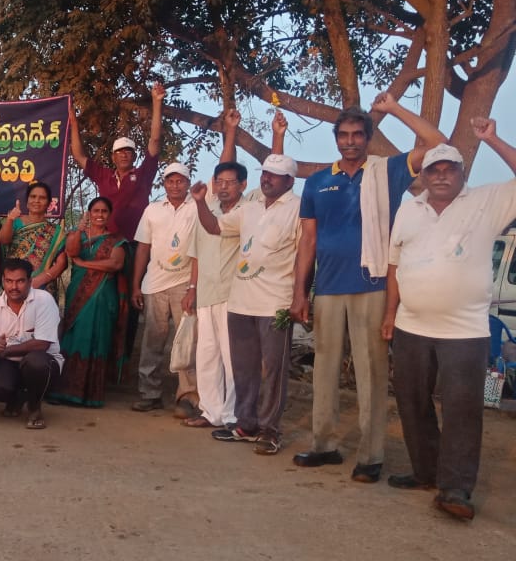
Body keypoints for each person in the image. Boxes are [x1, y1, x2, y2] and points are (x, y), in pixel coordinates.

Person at [290, 92, 447, 482]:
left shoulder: (387, 171)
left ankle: (371, 456)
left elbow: (437, 143)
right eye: (344, 135)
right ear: (335, 138)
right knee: (324, 369)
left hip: (373, 284)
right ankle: (323, 445)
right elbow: (308, 240)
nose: (350, 141)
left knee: (372, 372)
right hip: (328, 287)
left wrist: (393, 108)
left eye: (358, 134)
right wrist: (299, 292)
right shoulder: (318, 182)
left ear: (368, 137)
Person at [381, 119, 516, 520]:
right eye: (433, 169)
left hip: (465, 330)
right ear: (422, 176)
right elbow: (394, 264)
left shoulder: (486, 202)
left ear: (462, 173)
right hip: (410, 326)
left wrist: (491, 138)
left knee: (461, 409)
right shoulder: (409, 209)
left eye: (449, 169)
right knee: (412, 402)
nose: (441, 175)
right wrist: (390, 313)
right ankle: (425, 472)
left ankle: (455, 487)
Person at [192, 153, 301, 455]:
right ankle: (246, 424)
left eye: (274, 175)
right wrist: (200, 202)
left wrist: (301, 296)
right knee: (243, 368)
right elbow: (214, 227)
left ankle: (270, 430)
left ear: (289, 181)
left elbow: (306, 252)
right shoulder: (250, 209)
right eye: (264, 173)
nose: (267, 179)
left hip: (276, 302)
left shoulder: (298, 208)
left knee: (273, 369)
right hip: (240, 302)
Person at [181, 109, 284, 428]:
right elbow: (197, 253)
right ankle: (210, 412)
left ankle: (233, 415)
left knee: (233, 359)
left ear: (243, 185)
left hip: (233, 296)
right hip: (206, 294)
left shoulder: (250, 208)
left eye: (231, 182)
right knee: (206, 356)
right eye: (219, 182)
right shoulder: (207, 209)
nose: (224, 187)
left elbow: (275, 176)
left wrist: (277, 137)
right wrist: (192, 288)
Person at [69, 82, 165, 359]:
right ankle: (100, 356)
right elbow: (79, 155)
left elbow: (154, 142)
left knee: (130, 301)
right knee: (103, 299)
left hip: (135, 247)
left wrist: (157, 103)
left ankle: (123, 361)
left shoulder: (143, 174)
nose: (124, 154)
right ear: (112, 156)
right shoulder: (103, 175)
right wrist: (73, 121)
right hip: (105, 245)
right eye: (119, 151)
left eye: (128, 151)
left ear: (134, 156)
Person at [131, 163, 199, 416]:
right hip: (154, 284)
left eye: (180, 181)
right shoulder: (153, 210)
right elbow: (143, 248)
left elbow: (200, 251)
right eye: (170, 181)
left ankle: (188, 397)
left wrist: (193, 288)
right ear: (164, 183)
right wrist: (136, 285)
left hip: (184, 284)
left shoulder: (197, 208)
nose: (175, 185)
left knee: (187, 341)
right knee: (152, 340)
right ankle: (149, 394)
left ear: (188, 183)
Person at [48, 197, 128, 407]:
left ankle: (89, 395)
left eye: (104, 211)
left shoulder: (116, 240)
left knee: (96, 339)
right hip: (78, 295)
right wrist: (78, 230)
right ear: (90, 213)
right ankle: (62, 391)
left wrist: (85, 264)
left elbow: (115, 264)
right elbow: (72, 252)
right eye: (96, 211)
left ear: (109, 214)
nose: (100, 215)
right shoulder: (79, 235)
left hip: (103, 297)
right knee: (73, 338)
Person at [0, 259, 64, 428]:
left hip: (43, 362)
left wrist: (6, 350)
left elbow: (42, 344)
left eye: (20, 281)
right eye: (9, 281)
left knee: (36, 362)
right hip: (10, 364)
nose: (14, 287)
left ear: (30, 281)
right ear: (3, 281)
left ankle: (34, 405)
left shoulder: (44, 300)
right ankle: (17, 398)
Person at [0, 181, 68, 299]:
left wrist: (39, 280)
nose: (37, 200)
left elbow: (62, 263)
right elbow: (4, 240)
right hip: (12, 285)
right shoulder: (15, 222)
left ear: (49, 203)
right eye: (33, 196)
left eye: (42, 198)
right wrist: (10, 219)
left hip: (41, 288)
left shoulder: (56, 231)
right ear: (27, 201)